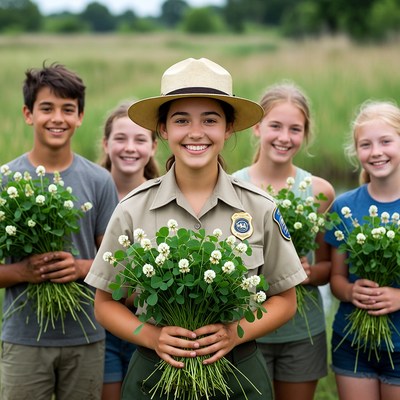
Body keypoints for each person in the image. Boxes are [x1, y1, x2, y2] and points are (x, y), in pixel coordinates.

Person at [85, 57, 308, 400]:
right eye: (181, 120)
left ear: (228, 128)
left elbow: (286, 299)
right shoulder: (132, 209)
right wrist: (150, 336)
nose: (195, 132)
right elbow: (104, 304)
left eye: (210, 119)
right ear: (162, 129)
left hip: (238, 374)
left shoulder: (259, 207)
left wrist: (236, 332)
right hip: (155, 376)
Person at [0, 63, 119, 400]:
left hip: (85, 335)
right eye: (46, 108)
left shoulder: (98, 180)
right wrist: (23, 270)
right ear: (28, 114)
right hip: (24, 338)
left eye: (68, 109)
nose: (57, 118)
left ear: (80, 116)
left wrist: (81, 267)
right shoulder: (5, 179)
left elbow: (117, 263)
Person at [232, 81, 335, 400]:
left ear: (305, 135)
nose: (284, 137)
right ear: (257, 127)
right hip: (245, 328)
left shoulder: (320, 191)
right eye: (275, 126)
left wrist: (303, 272)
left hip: (302, 331)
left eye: (295, 129)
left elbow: (327, 268)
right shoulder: (233, 185)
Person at [324, 100, 400, 400]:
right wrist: (350, 292)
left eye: (386, 141)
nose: (376, 152)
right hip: (352, 345)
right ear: (356, 152)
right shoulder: (345, 206)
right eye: (365, 144)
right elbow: (337, 279)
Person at [99, 101, 159, 400]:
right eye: (120, 138)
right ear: (105, 143)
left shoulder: (162, 199)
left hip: (152, 325)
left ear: (154, 147)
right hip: (100, 326)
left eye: (140, 139)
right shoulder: (93, 192)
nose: (130, 148)